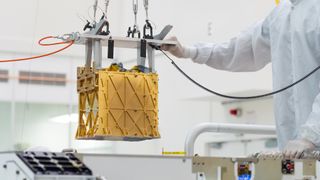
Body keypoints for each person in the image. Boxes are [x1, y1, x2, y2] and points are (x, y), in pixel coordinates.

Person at [162, 0, 320, 159]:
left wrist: (310, 136)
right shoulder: (280, 15)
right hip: (291, 152)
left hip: (313, 147)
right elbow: (239, 50)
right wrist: (188, 51)